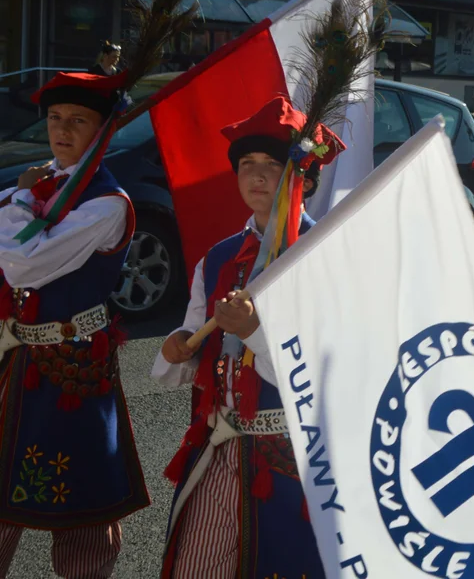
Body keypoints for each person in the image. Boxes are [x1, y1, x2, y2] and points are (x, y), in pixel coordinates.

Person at [153, 96, 344, 579]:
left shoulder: (326, 257)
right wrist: (179, 344)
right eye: (246, 165)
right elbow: (195, 333)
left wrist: (255, 333)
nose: (257, 176)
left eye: (272, 165)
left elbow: (327, 372)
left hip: (293, 463)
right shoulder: (217, 259)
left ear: (302, 175)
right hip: (219, 446)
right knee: (195, 565)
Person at [0, 71, 149, 577]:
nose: (61, 130)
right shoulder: (46, 180)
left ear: (102, 131)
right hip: (15, 356)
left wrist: (19, 201)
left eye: (78, 121)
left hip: (70, 363)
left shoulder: (107, 203)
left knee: (82, 498)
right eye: (55, 119)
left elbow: (23, 261)